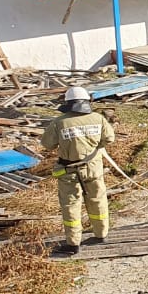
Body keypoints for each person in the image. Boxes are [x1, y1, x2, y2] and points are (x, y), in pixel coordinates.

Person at [41, 87, 114, 255]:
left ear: (68, 103)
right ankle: (101, 234)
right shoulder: (98, 118)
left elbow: (47, 144)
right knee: (98, 199)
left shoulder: (59, 122)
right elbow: (109, 138)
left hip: (69, 171)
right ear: (87, 101)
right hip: (93, 168)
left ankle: (73, 243)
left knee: (71, 205)